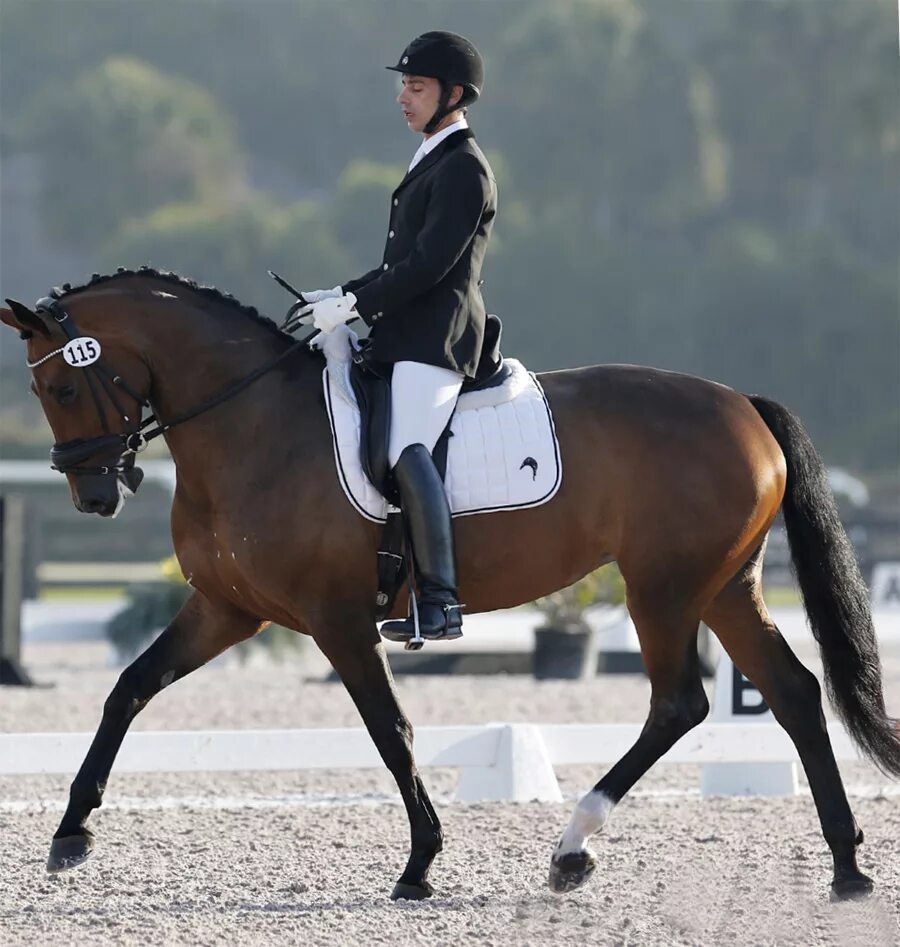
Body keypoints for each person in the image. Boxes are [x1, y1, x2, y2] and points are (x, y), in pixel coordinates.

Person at [299, 31, 497, 641]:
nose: (402, 98)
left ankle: (439, 600)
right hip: (402, 332)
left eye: (416, 87)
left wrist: (355, 304)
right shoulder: (431, 156)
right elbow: (396, 263)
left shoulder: (464, 167)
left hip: (436, 339)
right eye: (402, 86)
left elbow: (429, 266)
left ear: (454, 95)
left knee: (406, 446)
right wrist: (340, 295)